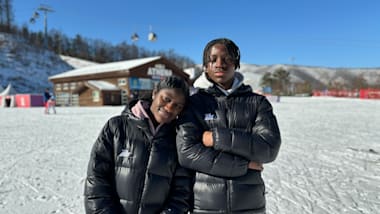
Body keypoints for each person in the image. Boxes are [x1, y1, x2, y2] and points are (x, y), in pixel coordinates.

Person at [176, 38, 282, 213]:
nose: (220, 64)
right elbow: (187, 153)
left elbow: (269, 148)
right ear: (205, 65)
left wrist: (215, 138)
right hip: (205, 205)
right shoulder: (193, 103)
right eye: (213, 59)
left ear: (236, 63)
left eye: (227, 58)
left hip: (249, 205)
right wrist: (244, 165)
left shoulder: (257, 103)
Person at [84, 76, 193, 214]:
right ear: (154, 93)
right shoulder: (116, 127)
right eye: (166, 99)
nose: (170, 107)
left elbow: (181, 190)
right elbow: (96, 177)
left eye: (178, 106)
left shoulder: (177, 138)